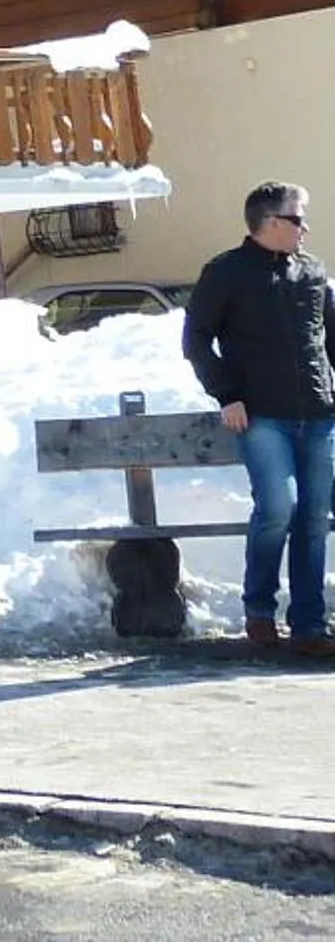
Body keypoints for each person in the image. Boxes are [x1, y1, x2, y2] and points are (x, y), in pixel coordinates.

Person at [183, 181, 335, 652]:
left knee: (313, 517)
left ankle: (309, 625)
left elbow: (331, 337)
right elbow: (196, 340)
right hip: (262, 416)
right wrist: (227, 394)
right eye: (297, 219)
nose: (305, 227)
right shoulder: (226, 272)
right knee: (277, 509)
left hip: (317, 413)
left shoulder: (312, 272)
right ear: (270, 223)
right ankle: (259, 610)